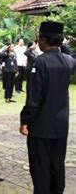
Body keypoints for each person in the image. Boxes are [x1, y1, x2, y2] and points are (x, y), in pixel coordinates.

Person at [20, 21, 76, 194]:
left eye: (39, 39)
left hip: (41, 126)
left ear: (44, 39)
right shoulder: (68, 61)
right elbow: (70, 55)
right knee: (57, 165)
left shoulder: (40, 62)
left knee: (40, 168)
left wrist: (25, 120)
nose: (38, 42)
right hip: (60, 124)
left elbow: (34, 99)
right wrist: (62, 45)